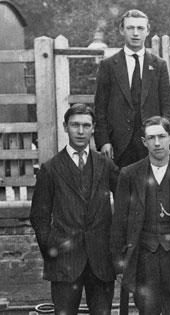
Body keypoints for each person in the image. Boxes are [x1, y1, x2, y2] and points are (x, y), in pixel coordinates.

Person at [30, 104, 118, 315]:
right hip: (64, 261)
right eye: (75, 125)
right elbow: (39, 216)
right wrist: (52, 249)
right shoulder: (50, 168)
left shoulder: (106, 165)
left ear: (93, 128)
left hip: (101, 261)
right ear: (65, 127)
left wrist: (115, 244)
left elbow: (127, 204)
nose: (80, 131)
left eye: (86, 125)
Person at [111, 116, 170, 315]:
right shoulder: (129, 174)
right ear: (144, 142)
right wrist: (120, 264)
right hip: (143, 255)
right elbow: (119, 222)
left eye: (161, 136)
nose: (157, 142)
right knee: (147, 308)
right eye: (151, 138)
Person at [94, 9, 170, 168]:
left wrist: (166, 142)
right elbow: (100, 108)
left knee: (153, 190)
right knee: (121, 190)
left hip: (152, 143)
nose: (135, 33)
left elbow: (167, 108)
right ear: (121, 30)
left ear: (148, 31)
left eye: (140, 28)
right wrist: (104, 141)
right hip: (120, 146)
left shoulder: (159, 65)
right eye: (130, 28)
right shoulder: (109, 66)